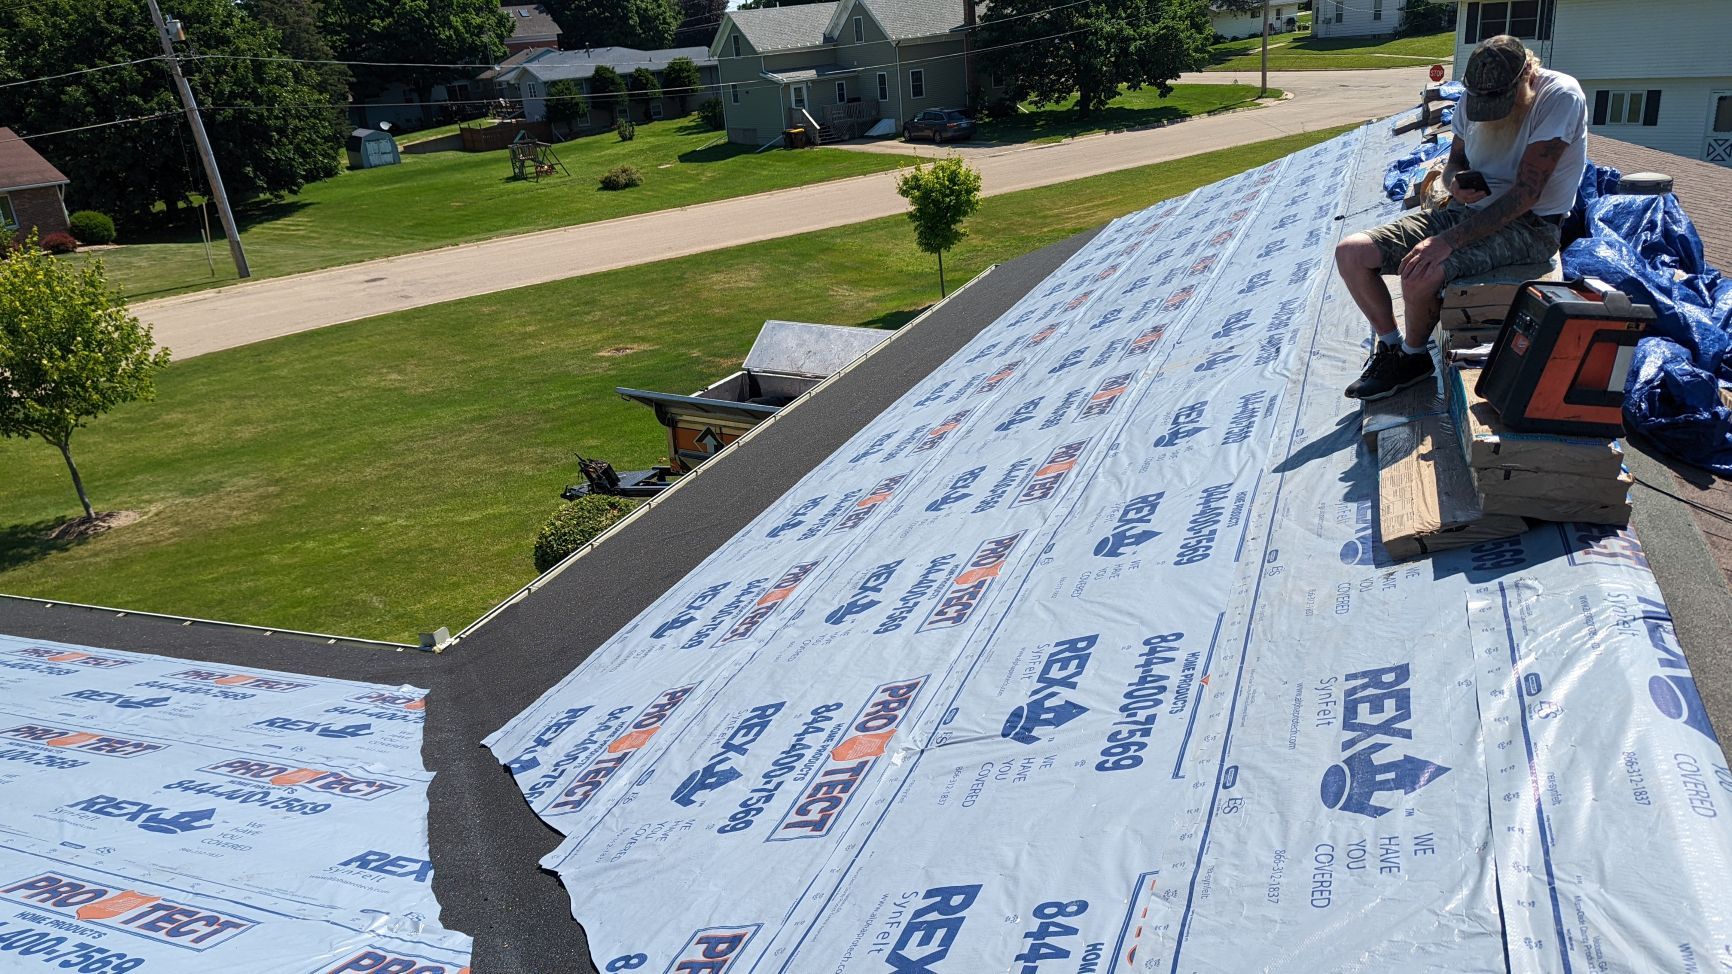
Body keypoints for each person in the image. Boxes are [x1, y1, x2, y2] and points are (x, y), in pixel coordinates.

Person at [1335, 35, 1588, 400]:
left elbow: (1525, 194)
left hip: (1530, 225)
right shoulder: (1474, 96)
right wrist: (1455, 184)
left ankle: (1414, 357)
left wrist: (1446, 242)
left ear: (1527, 74)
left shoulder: (1559, 97)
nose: (1490, 110)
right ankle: (1391, 347)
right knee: (1351, 253)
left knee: (1421, 272)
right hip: (1465, 210)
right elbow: (1455, 162)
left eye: (1501, 101)